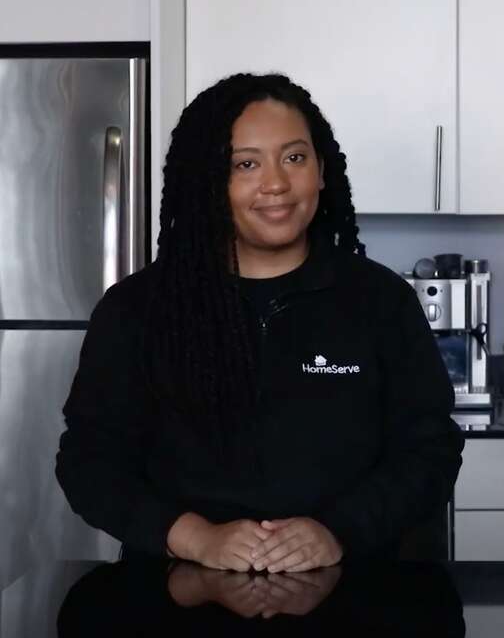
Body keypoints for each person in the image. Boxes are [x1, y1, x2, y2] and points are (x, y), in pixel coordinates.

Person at [56, 73, 463, 572]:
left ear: (322, 171)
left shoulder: (380, 302)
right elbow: (89, 461)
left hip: (358, 590)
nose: (276, 183)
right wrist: (196, 538)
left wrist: (337, 531)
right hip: (174, 594)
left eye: (295, 157)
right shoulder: (137, 309)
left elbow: (430, 450)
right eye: (245, 164)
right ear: (208, 182)